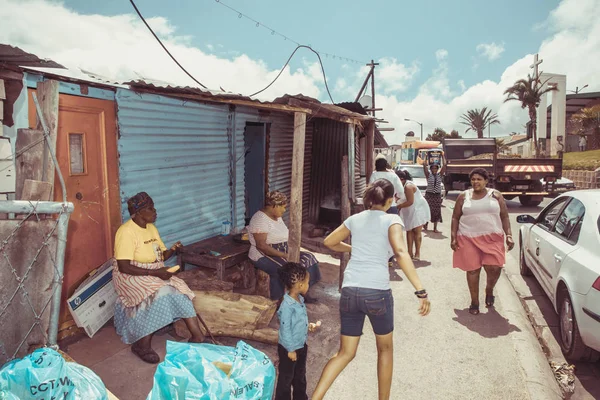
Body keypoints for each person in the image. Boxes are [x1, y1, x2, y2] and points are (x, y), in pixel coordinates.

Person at [312, 179, 431, 400]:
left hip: (350, 292)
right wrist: (420, 290)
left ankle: (315, 398)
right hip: (376, 293)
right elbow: (401, 252)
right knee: (385, 350)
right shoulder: (392, 219)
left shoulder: (355, 219)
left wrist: (353, 248)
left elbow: (329, 241)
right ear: (389, 200)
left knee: (345, 353)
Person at [113, 192, 204, 363]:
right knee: (159, 293)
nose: (155, 211)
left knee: (179, 288)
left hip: (152, 270)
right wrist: (156, 273)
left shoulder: (151, 228)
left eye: (154, 207)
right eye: (150, 208)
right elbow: (123, 266)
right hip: (129, 275)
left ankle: (197, 335)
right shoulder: (125, 232)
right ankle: (141, 345)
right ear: (138, 212)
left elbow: (160, 255)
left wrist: (173, 249)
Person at [451, 169, 515, 315]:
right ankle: (474, 301)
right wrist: (454, 237)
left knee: (494, 268)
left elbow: (504, 216)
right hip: (468, 237)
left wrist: (509, 235)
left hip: (492, 238)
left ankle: (489, 289)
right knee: (473, 270)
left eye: (479, 179)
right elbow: (455, 217)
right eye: (473, 179)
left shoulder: (496, 196)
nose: (475, 182)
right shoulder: (463, 196)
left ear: (486, 181)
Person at [248, 191, 321, 303]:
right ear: (274, 206)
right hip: (263, 254)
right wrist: (284, 255)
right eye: (283, 207)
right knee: (282, 269)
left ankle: (303, 293)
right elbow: (261, 246)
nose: (284, 210)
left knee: (309, 258)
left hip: (283, 249)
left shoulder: (277, 216)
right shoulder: (259, 219)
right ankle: (278, 300)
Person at [275, 262, 320, 400]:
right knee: (286, 378)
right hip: (289, 349)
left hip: (301, 345)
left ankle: (300, 397)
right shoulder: (287, 306)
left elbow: (297, 323)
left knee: (300, 375)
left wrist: (308, 326)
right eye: (307, 282)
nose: (308, 284)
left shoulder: (299, 299)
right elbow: (286, 328)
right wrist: (290, 349)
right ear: (300, 285)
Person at [396, 170, 431, 261]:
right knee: (409, 230)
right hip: (408, 210)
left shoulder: (408, 186)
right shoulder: (400, 186)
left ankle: (417, 253)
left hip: (418, 209)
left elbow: (410, 202)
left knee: (416, 231)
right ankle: (409, 253)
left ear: (401, 179)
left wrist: (399, 206)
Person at [423, 153, 446, 232]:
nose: (434, 170)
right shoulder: (428, 175)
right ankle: (425, 224)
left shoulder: (440, 175)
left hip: (437, 196)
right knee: (427, 210)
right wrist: (426, 156)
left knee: (437, 211)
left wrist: (443, 156)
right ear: (431, 169)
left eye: (436, 168)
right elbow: (424, 165)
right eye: (433, 168)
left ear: (437, 169)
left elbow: (445, 165)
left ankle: (435, 228)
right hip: (429, 195)